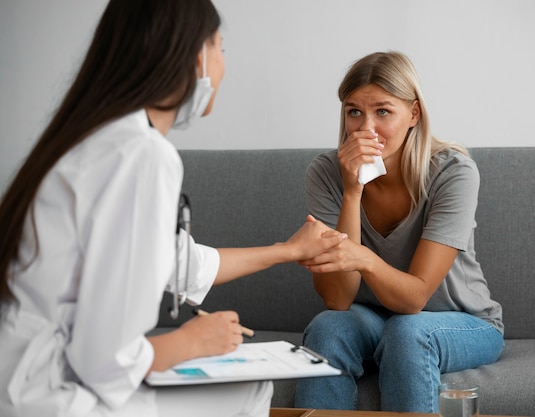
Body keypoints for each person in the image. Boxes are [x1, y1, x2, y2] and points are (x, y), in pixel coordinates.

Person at [0, 1, 347, 416]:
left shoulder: (92, 141)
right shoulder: (141, 155)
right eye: (220, 46)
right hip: (51, 395)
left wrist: (288, 251)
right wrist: (191, 341)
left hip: (21, 376)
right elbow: (103, 361)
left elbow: (183, 263)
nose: (222, 64)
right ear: (192, 55)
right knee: (249, 389)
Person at [293, 51, 504, 413]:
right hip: (373, 319)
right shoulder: (327, 172)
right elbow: (338, 299)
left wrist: (363, 259)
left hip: (461, 321)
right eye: (354, 111)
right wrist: (352, 191)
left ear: (414, 114)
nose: (365, 128)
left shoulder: (453, 173)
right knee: (327, 327)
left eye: (383, 111)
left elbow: (414, 300)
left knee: (407, 331)